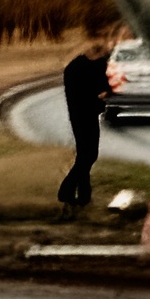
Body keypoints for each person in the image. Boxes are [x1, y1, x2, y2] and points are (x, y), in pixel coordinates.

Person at [58, 33, 111, 208]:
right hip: (86, 113)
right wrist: (101, 94)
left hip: (78, 113)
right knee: (89, 154)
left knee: (84, 154)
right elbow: (102, 89)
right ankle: (67, 189)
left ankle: (84, 194)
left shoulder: (74, 67)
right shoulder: (92, 67)